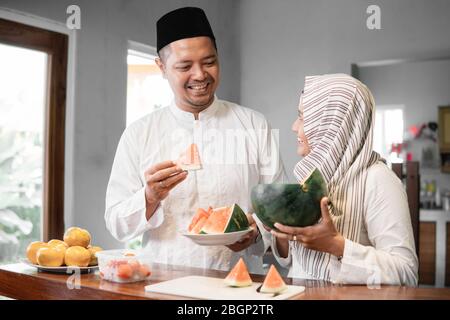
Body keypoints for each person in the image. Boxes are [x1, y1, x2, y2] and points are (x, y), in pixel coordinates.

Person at [105, 7, 285, 274]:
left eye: (209, 62)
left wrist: (256, 231)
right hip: (162, 280)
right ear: (162, 67)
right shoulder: (139, 133)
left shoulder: (255, 125)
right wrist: (149, 197)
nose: (200, 75)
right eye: (185, 66)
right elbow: (117, 223)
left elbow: (278, 207)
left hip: (237, 281)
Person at [270, 74, 418, 286]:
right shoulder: (313, 178)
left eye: (303, 117)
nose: (294, 126)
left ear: (332, 125)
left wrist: (336, 246)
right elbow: (298, 265)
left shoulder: (379, 180)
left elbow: (406, 273)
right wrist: (283, 234)